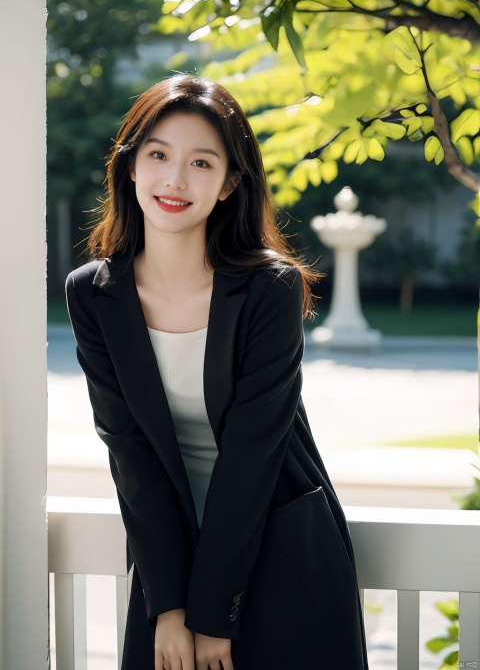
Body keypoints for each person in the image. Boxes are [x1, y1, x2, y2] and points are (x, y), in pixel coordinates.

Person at [66, 74, 369, 670]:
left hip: (280, 552)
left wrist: (214, 614)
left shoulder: (269, 290)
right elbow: (131, 454)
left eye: (201, 163)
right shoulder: (94, 295)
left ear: (230, 183)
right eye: (158, 155)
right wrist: (172, 609)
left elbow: (251, 456)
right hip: (169, 569)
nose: (175, 180)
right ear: (130, 168)